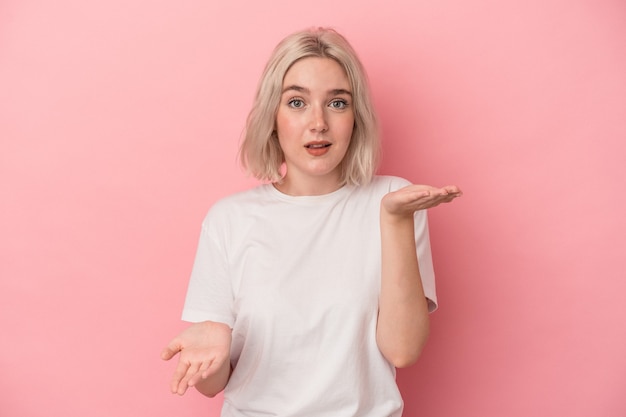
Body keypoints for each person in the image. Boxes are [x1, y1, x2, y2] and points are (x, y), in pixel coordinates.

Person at [161, 27, 462, 416]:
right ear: (273, 115)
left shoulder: (394, 201)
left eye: (337, 103)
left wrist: (395, 221)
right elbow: (215, 384)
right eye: (297, 102)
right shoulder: (229, 219)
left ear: (356, 117)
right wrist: (208, 358)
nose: (318, 122)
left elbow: (403, 350)